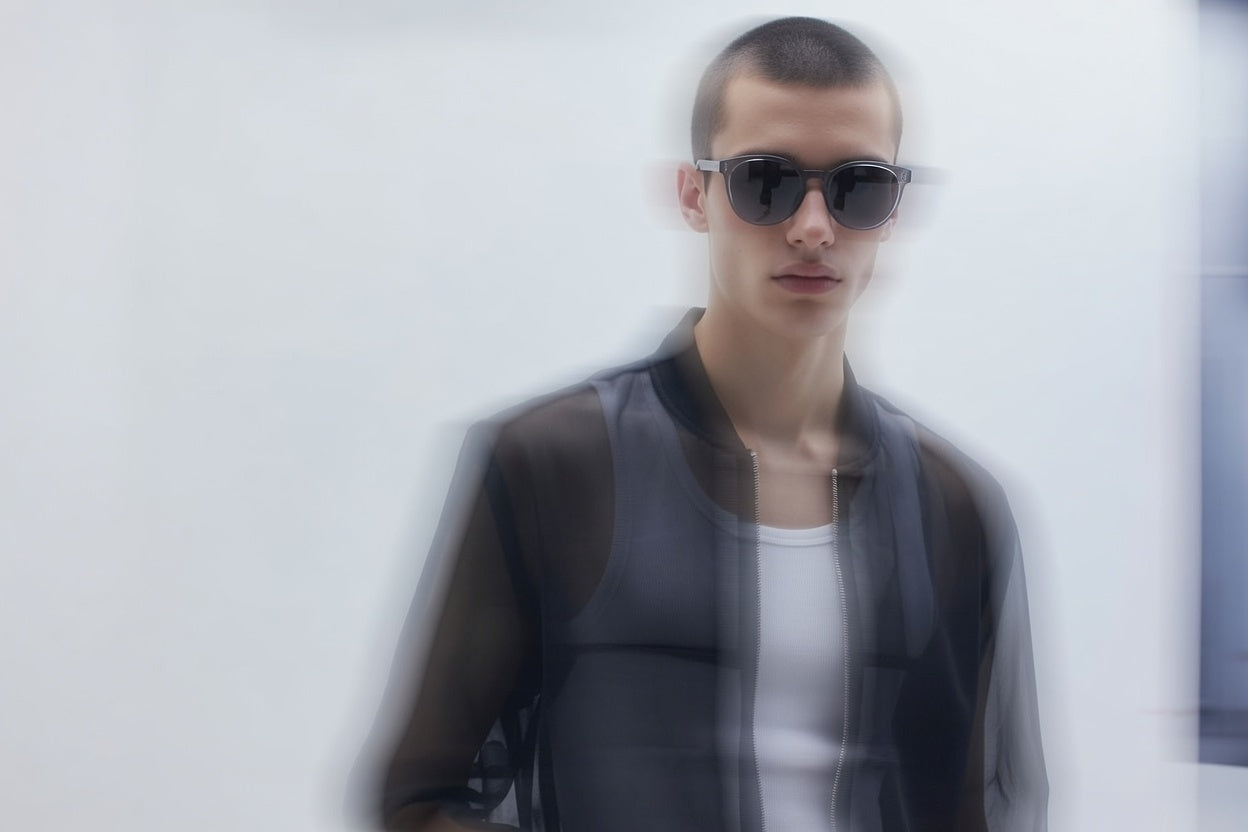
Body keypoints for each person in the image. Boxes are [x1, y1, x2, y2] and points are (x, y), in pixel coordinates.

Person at [364, 16, 1048, 832]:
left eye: (858, 187)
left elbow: (991, 810)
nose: (813, 226)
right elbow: (421, 799)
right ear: (695, 195)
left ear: (895, 208)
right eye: (766, 181)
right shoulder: (552, 465)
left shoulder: (957, 507)